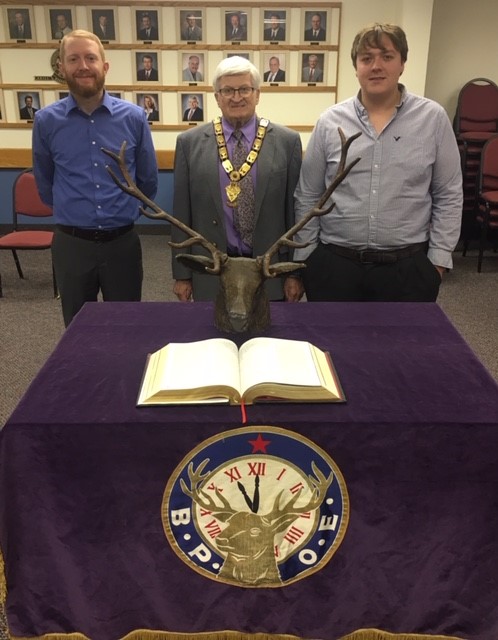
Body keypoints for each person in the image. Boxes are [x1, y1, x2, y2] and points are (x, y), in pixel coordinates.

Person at [293, 23, 462, 303]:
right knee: (333, 346)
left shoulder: (433, 119)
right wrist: (306, 258)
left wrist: (438, 263)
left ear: (402, 64)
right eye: (366, 58)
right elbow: (308, 195)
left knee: (403, 347)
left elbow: (449, 194)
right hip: (335, 268)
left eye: (387, 56)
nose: (376, 66)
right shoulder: (329, 122)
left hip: (408, 270)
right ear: (356, 66)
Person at [32, 30, 158, 327]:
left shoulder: (134, 117)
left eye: (91, 58)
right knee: (77, 330)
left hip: (122, 244)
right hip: (72, 245)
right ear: (62, 68)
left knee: (127, 327)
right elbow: (45, 183)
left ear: (105, 66)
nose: (83, 66)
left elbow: (147, 181)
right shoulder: (46, 121)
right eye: (73, 59)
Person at [172, 56, 303, 303]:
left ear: (257, 94)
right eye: (228, 90)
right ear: (216, 97)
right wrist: (182, 274)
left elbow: (295, 213)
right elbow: (181, 214)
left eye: (244, 89)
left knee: (268, 339)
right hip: (212, 269)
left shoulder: (287, 142)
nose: (236, 97)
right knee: (213, 338)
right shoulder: (189, 143)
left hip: (269, 269)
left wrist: (294, 272)